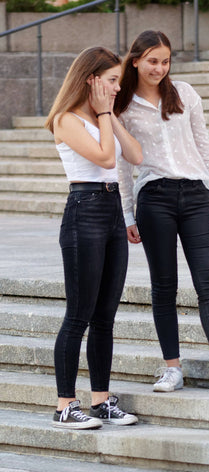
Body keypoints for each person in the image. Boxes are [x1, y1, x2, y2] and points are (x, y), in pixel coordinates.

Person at [114, 30, 209, 394]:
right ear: (135, 60)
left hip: (196, 195)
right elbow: (122, 167)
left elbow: (204, 144)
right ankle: (172, 368)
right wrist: (127, 214)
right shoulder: (122, 105)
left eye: (165, 61)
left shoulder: (184, 94)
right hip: (154, 199)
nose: (159, 68)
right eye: (152, 61)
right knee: (164, 286)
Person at [45, 46, 143, 429]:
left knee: (105, 316)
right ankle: (65, 405)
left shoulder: (105, 117)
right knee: (78, 315)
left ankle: (101, 400)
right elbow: (104, 159)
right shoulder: (65, 119)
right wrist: (104, 115)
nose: (118, 87)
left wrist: (110, 117)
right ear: (91, 79)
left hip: (112, 212)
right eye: (113, 80)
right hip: (83, 210)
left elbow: (133, 155)